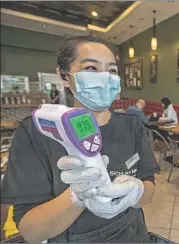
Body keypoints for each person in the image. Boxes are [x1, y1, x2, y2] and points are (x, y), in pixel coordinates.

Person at [0, 36, 160, 243]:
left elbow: (149, 188)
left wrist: (137, 191)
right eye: (92, 68)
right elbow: (32, 232)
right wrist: (78, 197)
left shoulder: (132, 126)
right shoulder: (36, 132)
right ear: (64, 76)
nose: (105, 77)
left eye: (112, 71)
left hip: (134, 235)